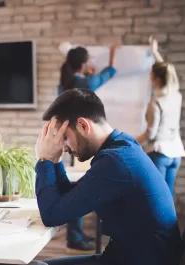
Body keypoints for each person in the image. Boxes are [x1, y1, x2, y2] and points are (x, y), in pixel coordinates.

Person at [34, 88, 181, 265]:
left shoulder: (116, 162)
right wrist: (55, 161)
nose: (63, 146)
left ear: (83, 125)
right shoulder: (122, 147)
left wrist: (45, 159)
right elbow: (68, 199)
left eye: (65, 137)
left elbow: (52, 216)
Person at [57, 43, 118, 253]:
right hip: (75, 140)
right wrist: (111, 59)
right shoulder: (83, 83)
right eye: (88, 59)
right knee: (77, 189)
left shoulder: (66, 83)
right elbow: (103, 77)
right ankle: (74, 236)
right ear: (82, 64)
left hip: (64, 139)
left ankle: (75, 234)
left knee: (73, 187)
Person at [136, 37, 185, 198]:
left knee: (156, 197)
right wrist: (155, 52)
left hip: (159, 154)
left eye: (151, 75)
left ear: (157, 79)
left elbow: (151, 134)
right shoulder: (176, 94)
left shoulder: (156, 103)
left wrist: (132, 140)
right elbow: (168, 72)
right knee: (167, 197)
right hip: (175, 154)